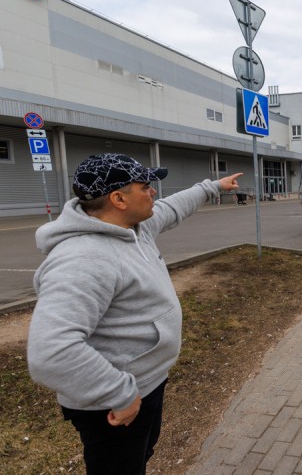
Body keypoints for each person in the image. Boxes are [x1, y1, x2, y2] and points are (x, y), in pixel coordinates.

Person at [27, 153, 243, 475]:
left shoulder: (134, 227)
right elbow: (50, 352)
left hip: (147, 383)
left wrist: (213, 187)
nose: (154, 192)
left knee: (139, 457)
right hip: (112, 404)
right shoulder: (84, 258)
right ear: (118, 199)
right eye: (145, 187)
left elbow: (173, 208)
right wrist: (121, 393)